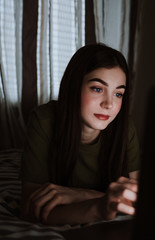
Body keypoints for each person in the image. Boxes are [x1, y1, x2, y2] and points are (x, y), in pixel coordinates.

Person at [20, 43, 140, 226]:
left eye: (118, 94)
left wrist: (81, 194)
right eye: (97, 89)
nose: (108, 104)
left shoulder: (125, 128)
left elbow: (138, 202)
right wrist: (102, 204)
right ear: (74, 87)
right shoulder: (44, 120)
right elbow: (33, 208)